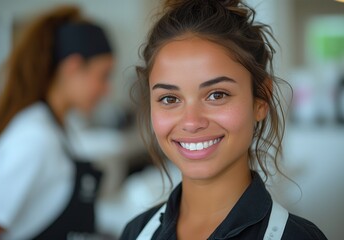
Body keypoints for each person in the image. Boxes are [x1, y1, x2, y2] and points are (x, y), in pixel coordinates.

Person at [120, 0, 327, 239]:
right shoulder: (136, 232)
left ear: (260, 100)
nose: (191, 122)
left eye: (217, 95)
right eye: (169, 99)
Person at [0, 5, 114, 240]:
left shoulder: (58, 126)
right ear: (73, 67)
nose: (107, 89)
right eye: (103, 76)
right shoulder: (34, 136)